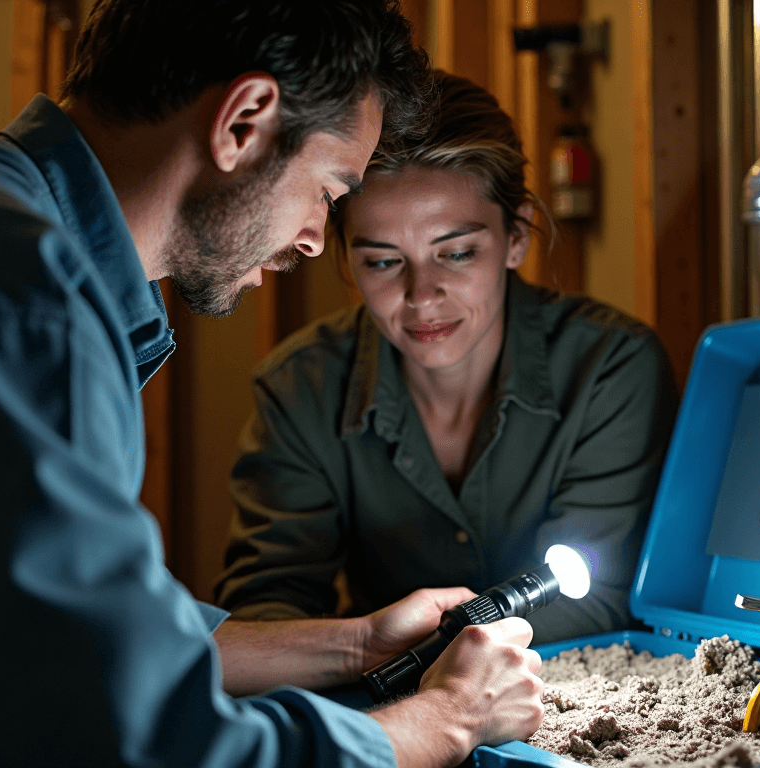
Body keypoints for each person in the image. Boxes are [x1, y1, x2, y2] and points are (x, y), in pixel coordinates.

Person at [0, 3, 543, 767]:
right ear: (243, 121)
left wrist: (353, 644)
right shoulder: (20, 304)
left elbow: (64, 635)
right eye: (329, 191)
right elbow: (141, 747)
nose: (316, 238)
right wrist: (449, 719)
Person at [214, 72, 678, 646]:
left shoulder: (611, 370)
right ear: (345, 262)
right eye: (383, 262)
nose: (421, 295)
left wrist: (391, 652)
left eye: (456, 253)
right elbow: (264, 611)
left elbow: (602, 602)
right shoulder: (299, 390)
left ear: (516, 238)